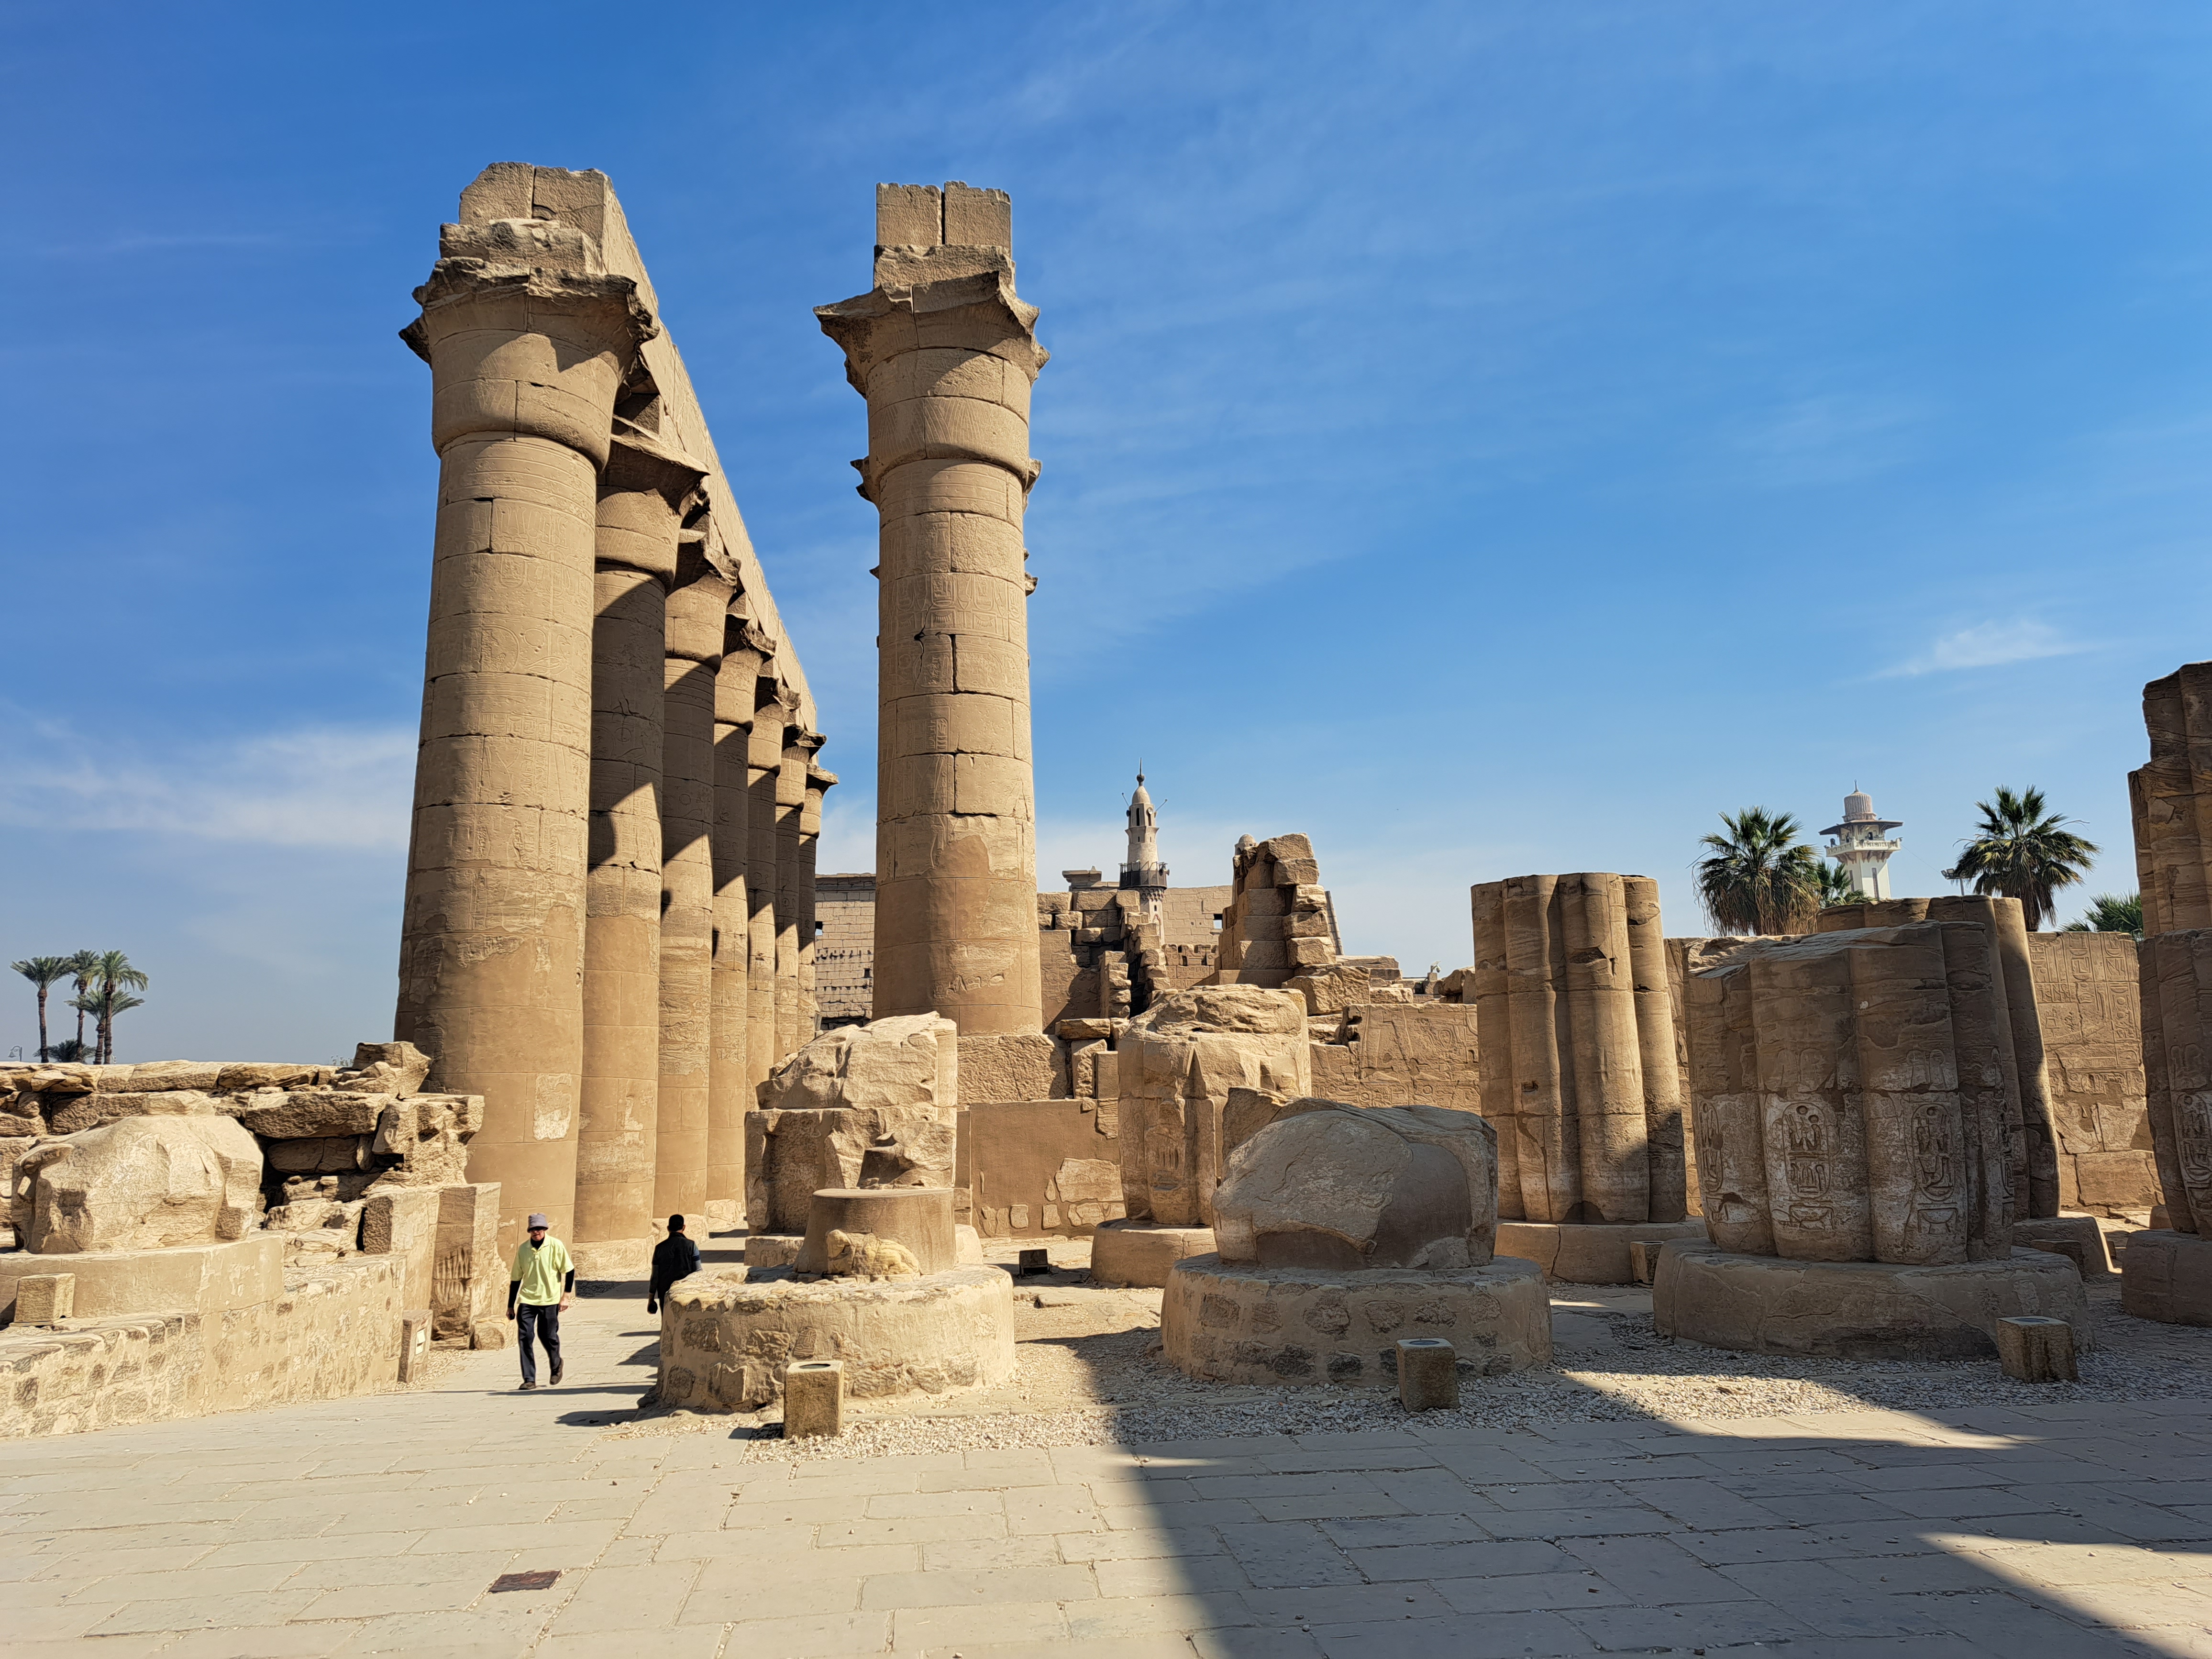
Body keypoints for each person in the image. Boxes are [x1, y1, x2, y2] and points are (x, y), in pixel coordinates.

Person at [508, 1213, 574, 1391]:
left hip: (550, 1299)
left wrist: (566, 1297)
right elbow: (516, 1278)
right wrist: (510, 1306)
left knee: (548, 1336)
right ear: (529, 1231)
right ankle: (529, 1379)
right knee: (525, 1338)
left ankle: (556, 1364)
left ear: (545, 1229)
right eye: (533, 1229)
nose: (536, 1232)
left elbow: (569, 1270)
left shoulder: (555, 1245)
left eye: (539, 1229)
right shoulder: (523, 1249)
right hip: (528, 1300)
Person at [647, 1214, 701, 1316]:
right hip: (686, 1291)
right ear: (684, 1227)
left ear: (668, 1228)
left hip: (665, 1292)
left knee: (668, 1320)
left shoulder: (659, 1248)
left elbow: (655, 1276)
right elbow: (698, 1271)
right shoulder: (692, 1245)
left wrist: (651, 1299)